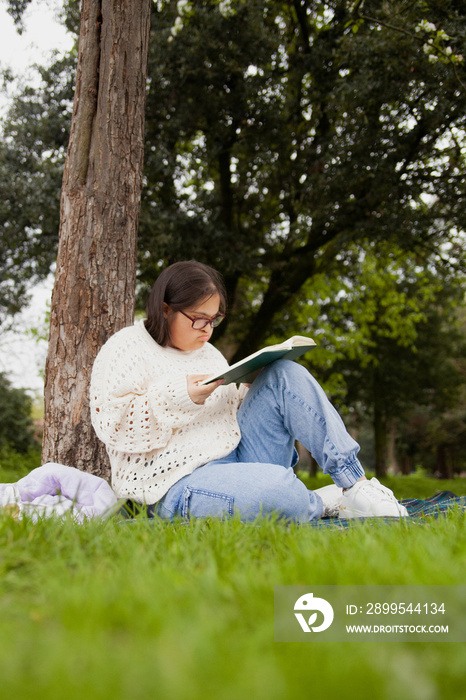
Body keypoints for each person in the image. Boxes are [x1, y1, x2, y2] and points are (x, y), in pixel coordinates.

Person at [90, 260, 408, 522]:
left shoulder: (209, 353)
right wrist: (181, 395)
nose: (207, 331)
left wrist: (245, 392)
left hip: (237, 458)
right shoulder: (126, 347)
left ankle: (355, 485)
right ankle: (315, 502)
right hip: (172, 484)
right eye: (199, 320)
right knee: (278, 490)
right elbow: (113, 427)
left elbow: (223, 417)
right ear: (165, 308)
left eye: (215, 320)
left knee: (284, 373)